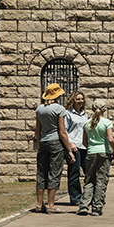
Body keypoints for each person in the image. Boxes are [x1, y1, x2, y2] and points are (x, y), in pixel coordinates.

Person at [35, 83, 75, 214]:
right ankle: (51, 205)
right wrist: (69, 149)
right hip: (55, 142)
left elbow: (38, 131)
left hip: (43, 142)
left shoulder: (40, 109)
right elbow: (62, 132)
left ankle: (39, 204)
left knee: (41, 173)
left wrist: (39, 144)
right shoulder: (59, 109)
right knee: (54, 172)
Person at [77, 99, 114, 216]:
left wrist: (91, 148)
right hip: (104, 152)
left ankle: (84, 205)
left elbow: (84, 142)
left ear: (92, 109)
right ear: (105, 110)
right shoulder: (107, 122)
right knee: (101, 180)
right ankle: (97, 206)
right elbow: (110, 139)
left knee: (89, 179)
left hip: (91, 152)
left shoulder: (87, 123)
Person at [64, 90, 88, 205]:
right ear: (72, 100)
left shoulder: (85, 115)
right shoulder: (67, 114)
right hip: (74, 147)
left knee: (88, 171)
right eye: (78, 99)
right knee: (74, 173)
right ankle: (76, 198)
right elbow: (64, 130)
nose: (80, 101)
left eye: (82, 99)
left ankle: (89, 196)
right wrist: (70, 143)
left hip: (84, 147)